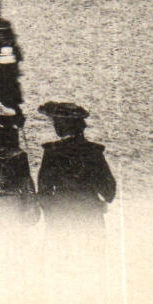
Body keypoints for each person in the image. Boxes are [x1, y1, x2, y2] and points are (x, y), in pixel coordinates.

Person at [35, 101, 117, 239]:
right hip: (90, 218)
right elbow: (109, 193)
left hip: (61, 219)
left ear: (61, 127)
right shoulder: (94, 152)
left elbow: (43, 193)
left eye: (56, 122)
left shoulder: (52, 152)